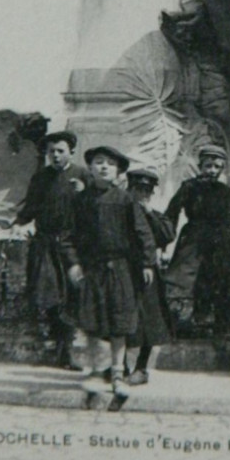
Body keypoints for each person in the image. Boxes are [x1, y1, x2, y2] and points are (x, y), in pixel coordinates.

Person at [61, 145, 156, 409]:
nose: (103, 167)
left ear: (118, 171)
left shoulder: (125, 200)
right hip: (92, 269)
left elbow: (143, 234)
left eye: (109, 164)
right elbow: (68, 236)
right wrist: (73, 263)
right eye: (98, 162)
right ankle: (95, 369)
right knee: (92, 321)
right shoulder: (81, 201)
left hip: (121, 268)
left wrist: (147, 263)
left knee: (119, 321)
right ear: (90, 168)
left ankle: (116, 372)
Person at [13, 129, 88, 370]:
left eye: (60, 151)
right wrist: (17, 223)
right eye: (51, 152)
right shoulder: (41, 178)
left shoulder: (82, 176)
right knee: (51, 295)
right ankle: (59, 348)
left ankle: (66, 348)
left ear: (71, 152)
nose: (55, 156)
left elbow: (95, 208)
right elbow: (30, 208)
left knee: (72, 296)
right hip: (45, 245)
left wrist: (83, 193)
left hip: (72, 246)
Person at [163, 145, 230, 336]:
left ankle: (218, 324)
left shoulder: (225, 191)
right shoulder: (189, 187)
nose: (212, 171)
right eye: (208, 166)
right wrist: (164, 241)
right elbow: (172, 212)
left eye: (216, 167)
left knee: (222, 278)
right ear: (200, 166)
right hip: (193, 239)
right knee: (185, 278)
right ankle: (182, 324)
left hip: (219, 241)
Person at [124, 166, 176, 386]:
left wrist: (148, 213)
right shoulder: (120, 211)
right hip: (124, 271)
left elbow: (167, 235)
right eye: (137, 189)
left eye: (146, 191)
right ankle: (120, 366)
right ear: (129, 189)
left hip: (147, 274)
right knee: (122, 318)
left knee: (149, 321)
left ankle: (141, 368)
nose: (141, 195)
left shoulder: (155, 216)